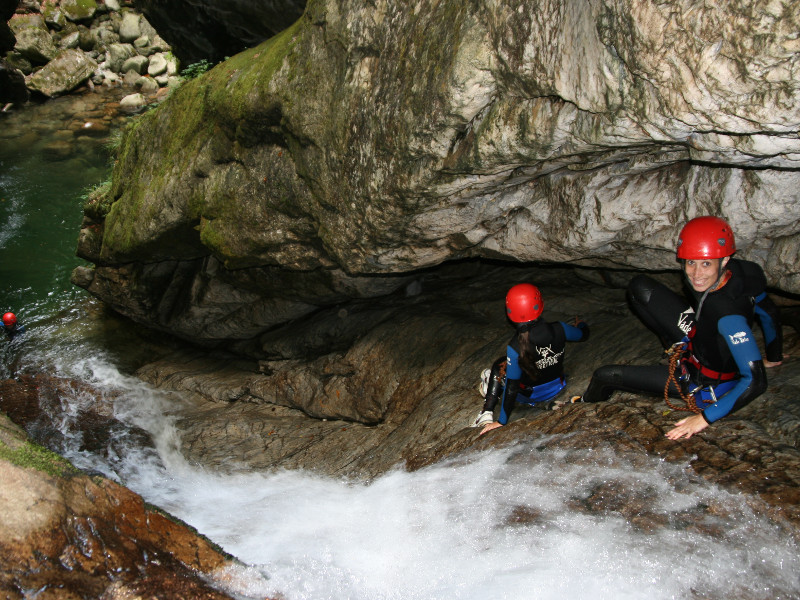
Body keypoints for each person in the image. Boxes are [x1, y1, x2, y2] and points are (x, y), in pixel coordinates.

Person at [571, 216, 768, 440]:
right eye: (690, 262)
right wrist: (774, 356)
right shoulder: (745, 272)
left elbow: (755, 380)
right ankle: (675, 343)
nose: (696, 273)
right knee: (640, 287)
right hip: (699, 336)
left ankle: (580, 404)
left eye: (705, 264)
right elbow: (768, 311)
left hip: (701, 379)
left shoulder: (727, 316)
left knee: (604, 375)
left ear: (724, 261)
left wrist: (702, 419)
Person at [473, 283, 589, 435]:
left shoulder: (515, 347)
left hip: (529, 396)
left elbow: (512, 387)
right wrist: (581, 325)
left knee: (498, 366)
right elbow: (583, 335)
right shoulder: (560, 328)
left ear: (509, 312)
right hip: (558, 385)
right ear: (539, 305)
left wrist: (502, 421)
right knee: (514, 365)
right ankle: (544, 401)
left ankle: (486, 412)